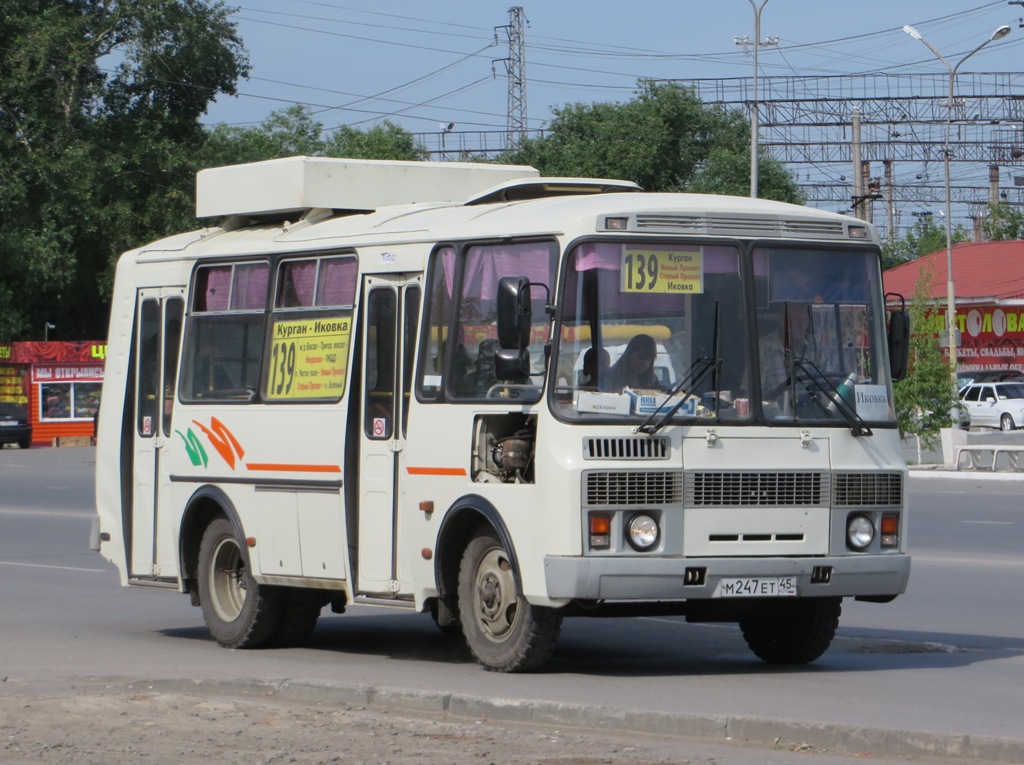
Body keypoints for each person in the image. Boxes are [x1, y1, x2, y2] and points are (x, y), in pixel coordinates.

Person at [759, 303, 824, 401]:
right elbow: (750, 394)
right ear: (782, 320)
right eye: (797, 320)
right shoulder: (764, 347)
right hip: (773, 414)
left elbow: (828, 383)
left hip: (810, 412)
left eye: (805, 320)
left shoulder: (814, 346)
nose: (801, 325)